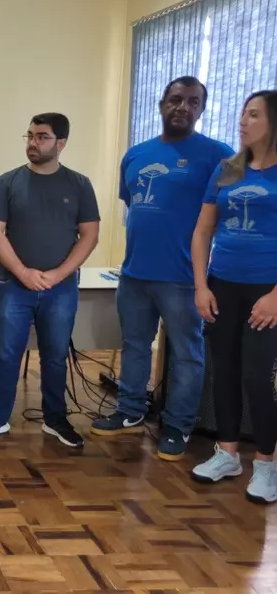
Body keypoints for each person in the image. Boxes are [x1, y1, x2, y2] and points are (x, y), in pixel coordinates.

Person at [90, 77, 233, 461]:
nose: (183, 107)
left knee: (186, 354)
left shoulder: (219, 155)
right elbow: (133, 205)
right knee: (134, 346)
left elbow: (233, 210)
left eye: (193, 101)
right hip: (134, 274)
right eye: (176, 99)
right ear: (161, 104)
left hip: (184, 279)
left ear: (201, 109)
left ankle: (178, 425)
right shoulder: (136, 154)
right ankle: (130, 411)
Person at [0, 113, 100, 448]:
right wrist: (23, 272)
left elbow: (89, 235)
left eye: (42, 137)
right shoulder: (8, 182)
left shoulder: (79, 184)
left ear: (61, 143)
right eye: (29, 135)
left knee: (55, 356)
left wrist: (58, 274)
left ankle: (55, 419)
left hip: (61, 287)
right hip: (14, 285)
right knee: (7, 355)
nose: (33, 142)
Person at [190, 90, 277, 504]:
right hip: (222, 284)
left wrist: (276, 296)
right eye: (243, 113)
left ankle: (266, 463)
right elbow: (203, 230)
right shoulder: (227, 169)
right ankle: (227, 454)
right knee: (222, 371)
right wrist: (201, 285)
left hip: (268, 291)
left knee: (256, 377)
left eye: (253, 114)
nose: (243, 121)